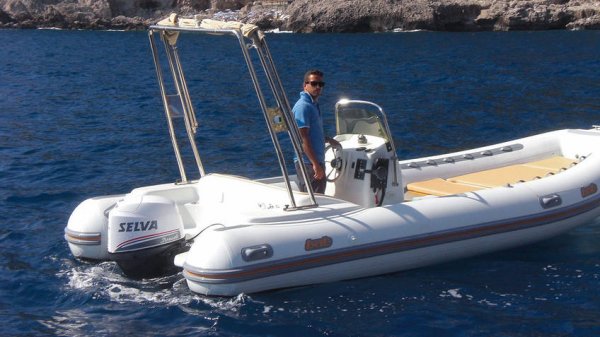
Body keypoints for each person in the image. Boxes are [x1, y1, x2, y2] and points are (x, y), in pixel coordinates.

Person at [292, 69, 339, 193]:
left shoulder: (313, 104)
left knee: (317, 196)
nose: (318, 87)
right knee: (315, 199)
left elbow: (312, 133)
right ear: (305, 85)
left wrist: (328, 139)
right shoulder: (303, 107)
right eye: (314, 84)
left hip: (314, 161)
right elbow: (303, 138)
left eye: (321, 84)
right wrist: (315, 165)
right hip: (308, 164)